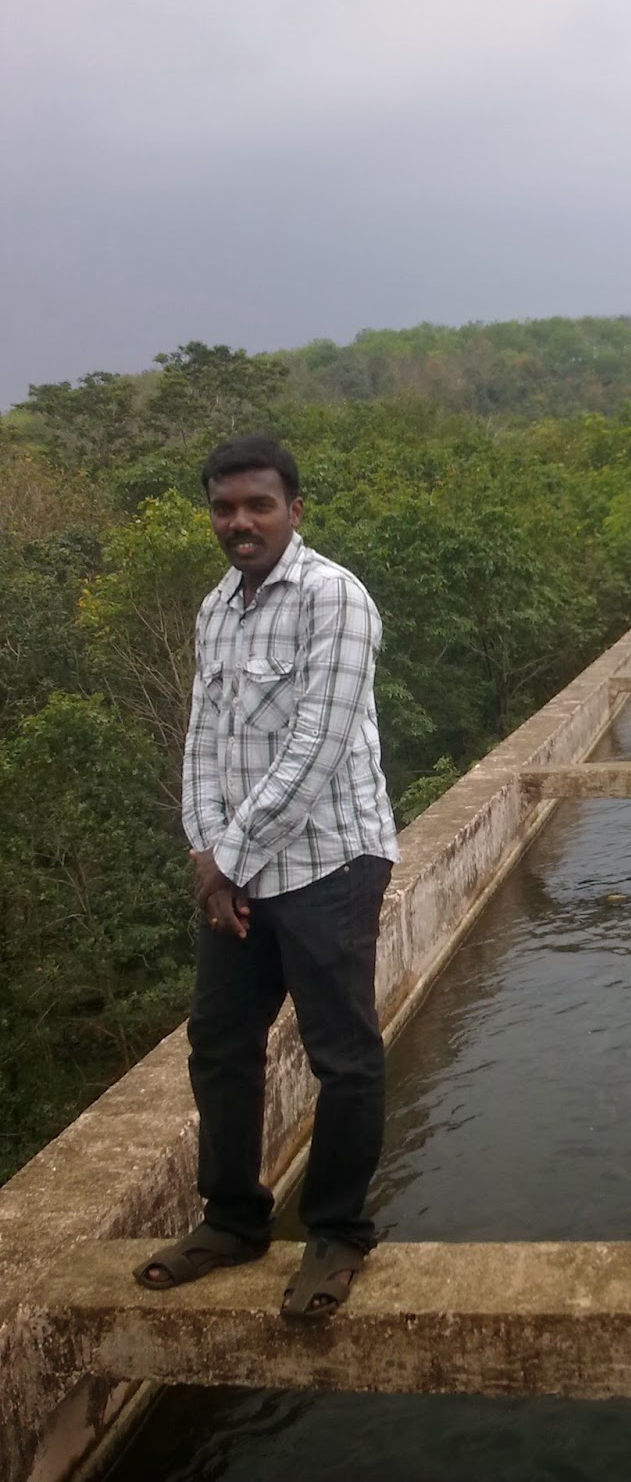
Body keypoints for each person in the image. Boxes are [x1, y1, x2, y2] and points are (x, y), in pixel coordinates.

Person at [134, 435, 400, 1322]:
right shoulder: (218, 610)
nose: (240, 522)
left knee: (344, 1056)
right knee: (219, 1043)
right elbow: (202, 744)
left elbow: (316, 750)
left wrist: (229, 859)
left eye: (258, 505)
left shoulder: (336, 599)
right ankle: (234, 1220)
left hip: (331, 861)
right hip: (239, 872)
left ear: (295, 509)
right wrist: (207, 855)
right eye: (224, 508)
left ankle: (335, 1233)